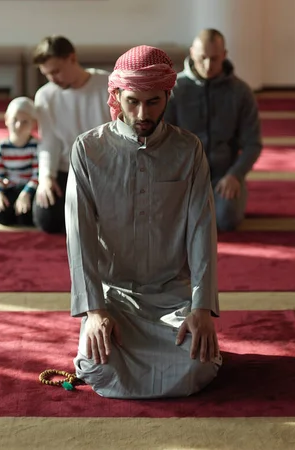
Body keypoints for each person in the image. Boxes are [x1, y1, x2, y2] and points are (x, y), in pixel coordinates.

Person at [64, 45, 222, 400]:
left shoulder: (188, 150)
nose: (141, 113)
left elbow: (201, 230)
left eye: (153, 102)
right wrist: (94, 311)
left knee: (201, 363)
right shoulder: (87, 150)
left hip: (171, 297)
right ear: (117, 95)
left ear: (168, 95)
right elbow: (80, 236)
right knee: (96, 365)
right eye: (133, 101)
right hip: (114, 298)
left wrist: (201, 308)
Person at [164, 28, 263, 232]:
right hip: (184, 176)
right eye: (202, 58)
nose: (208, 66)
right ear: (192, 53)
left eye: (214, 59)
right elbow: (162, 140)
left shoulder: (241, 92)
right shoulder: (174, 90)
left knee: (226, 219)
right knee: (169, 223)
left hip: (223, 175)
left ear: (224, 56)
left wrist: (235, 175)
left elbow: (253, 143)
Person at [32, 35, 112, 234]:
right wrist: (45, 178)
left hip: (103, 170)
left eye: (56, 71)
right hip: (66, 170)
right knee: (47, 220)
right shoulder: (46, 95)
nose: (53, 79)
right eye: (47, 74)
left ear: (72, 58)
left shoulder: (108, 84)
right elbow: (48, 143)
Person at [0, 96, 39, 227]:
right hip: (11, 187)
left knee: (26, 217)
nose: (18, 125)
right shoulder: (1, 147)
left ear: (33, 123)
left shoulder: (36, 146)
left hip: (29, 189)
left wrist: (26, 193)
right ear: (6, 119)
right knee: (0, 214)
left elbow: (37, 175)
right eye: (15, 120)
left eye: (25, 122)